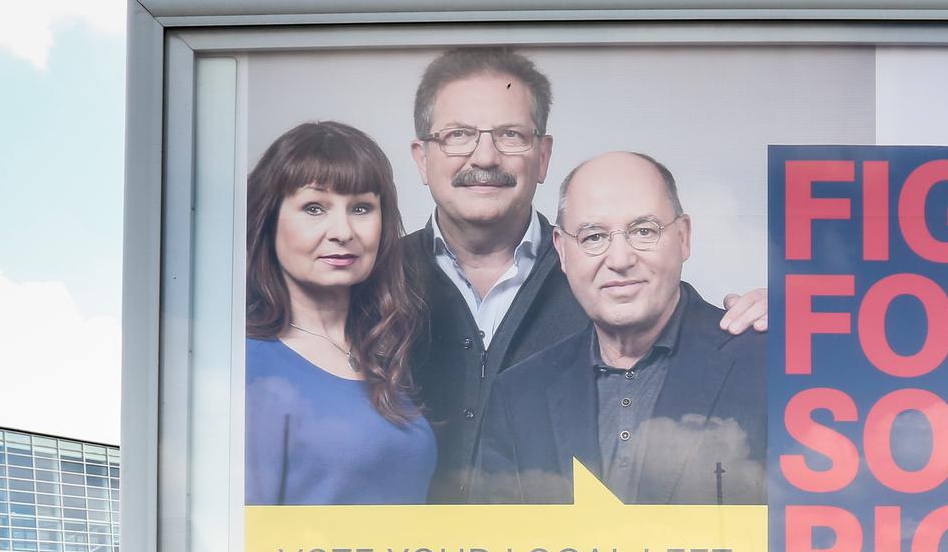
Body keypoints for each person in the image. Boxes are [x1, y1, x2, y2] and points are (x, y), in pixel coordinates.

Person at [402, 47, 767, 501]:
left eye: (511, 135)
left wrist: (817, 323)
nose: (486, 156)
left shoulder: (760, 353)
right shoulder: (366, 288)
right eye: (458, 134)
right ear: (421, 158)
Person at [473, 152, 767, 506]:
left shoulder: (770, 363)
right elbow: (496, 551)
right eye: (593, 237)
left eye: (644, 231)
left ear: (684, 237)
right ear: (563, 251)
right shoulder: (518, 396)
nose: (620, 259)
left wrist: (821, 329)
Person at [246, 120, 436, 505]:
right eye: (314, 208)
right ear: (269, 221)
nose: (342, 231)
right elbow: (239, 547)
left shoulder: (386, 353)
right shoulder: (250, 365)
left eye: (361, 208)